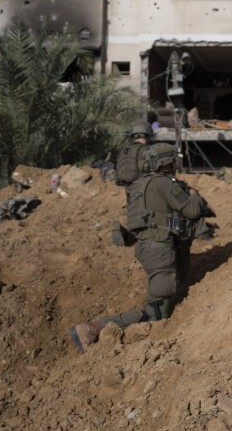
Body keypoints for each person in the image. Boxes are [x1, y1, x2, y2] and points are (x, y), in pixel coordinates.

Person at [69, 143, 209, 353]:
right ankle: (94, 328)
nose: (175, 166)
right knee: (156, 315)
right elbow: (192, 210)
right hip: (160, 252)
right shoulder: (163, 183)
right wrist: (194, 195)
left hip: (148, 248)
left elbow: (157, 220)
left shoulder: (140, 185)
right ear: (167, 162)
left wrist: (179, 229)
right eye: (174, 162)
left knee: (166, 299)